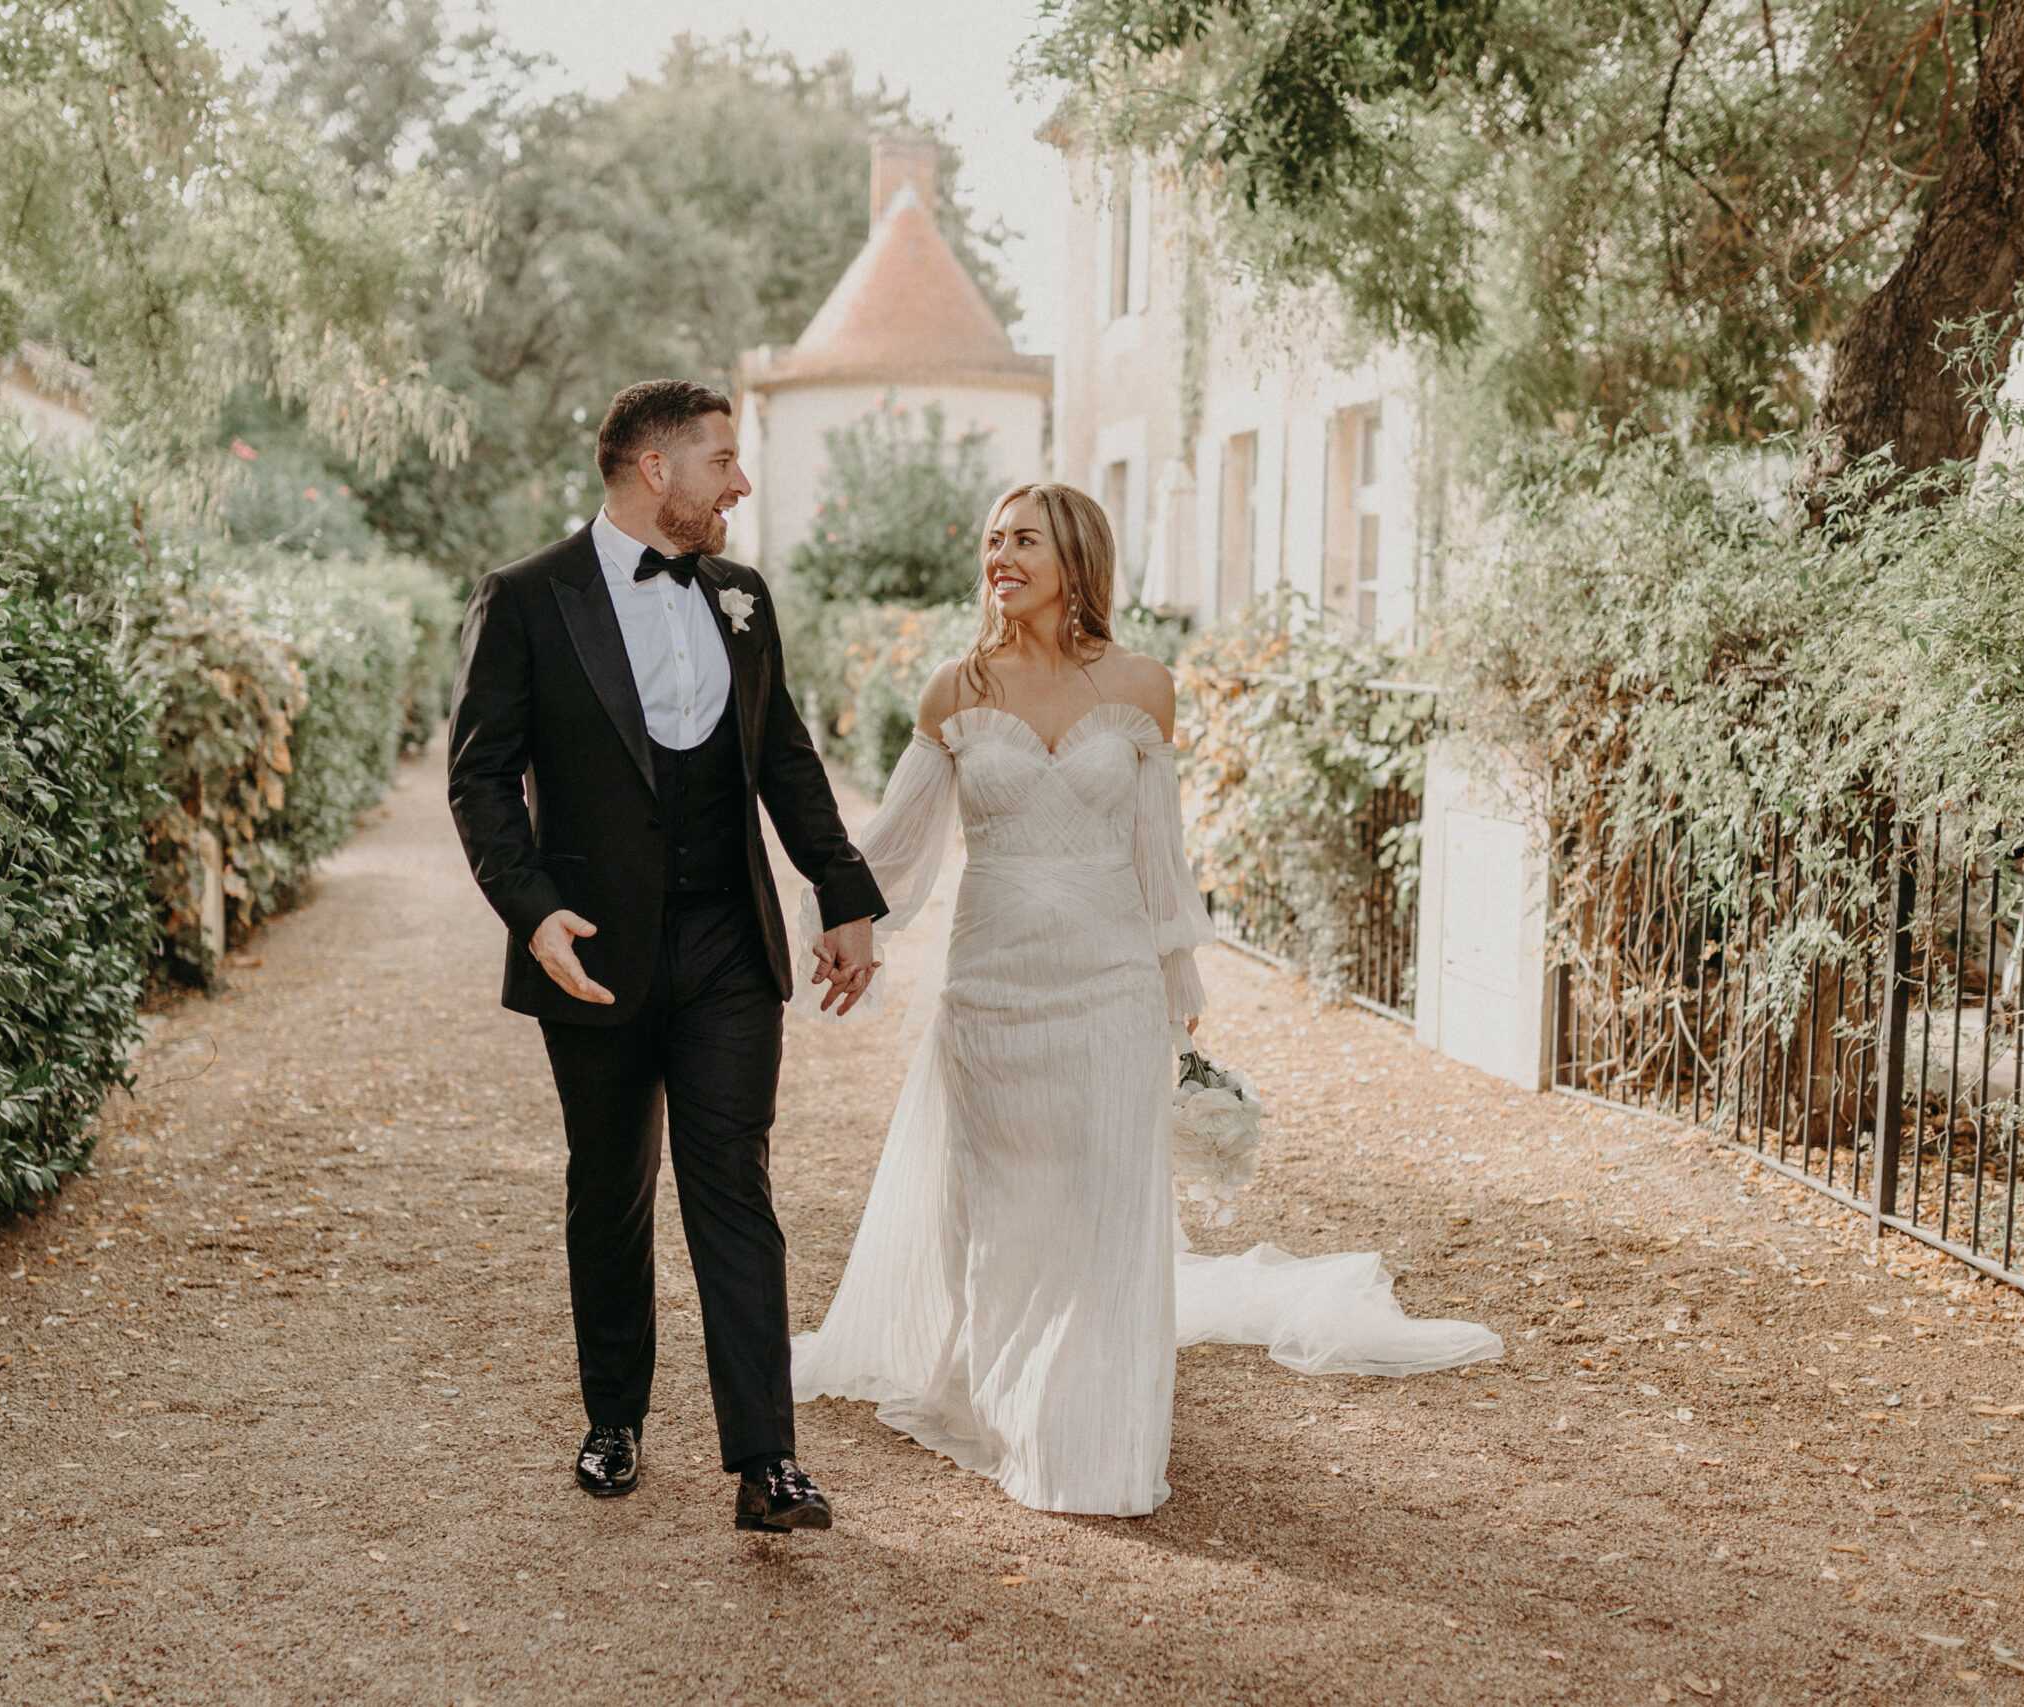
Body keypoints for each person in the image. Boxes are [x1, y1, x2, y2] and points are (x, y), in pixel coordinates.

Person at [792, 480, 1502, 1517]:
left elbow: (1157, 856)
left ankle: (1086, 1432)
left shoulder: (1141, 687)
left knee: (1099, 1213)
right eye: (993, 540)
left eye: (1023, 540)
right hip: (989, 994)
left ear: (1076, 557)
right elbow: (895, 849)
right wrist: (845, 930)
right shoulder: (953, 689)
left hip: (1108, 986)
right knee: (1000, 1209)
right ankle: (998, 1394)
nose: (1000, 556)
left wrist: (1178, 985)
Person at [447, 379, 887, 1533]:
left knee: (732, 1186)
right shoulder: (527, 598)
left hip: (726, 944)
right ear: (656, 469)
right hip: (588, 951)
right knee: (609, 1187)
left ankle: (766, 1461)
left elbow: (783, 757)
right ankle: (613, 1419)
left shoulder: (741, 595)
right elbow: (481, 776)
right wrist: (531, 910)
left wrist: (840, 892)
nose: (740, 481)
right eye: (722, 460)